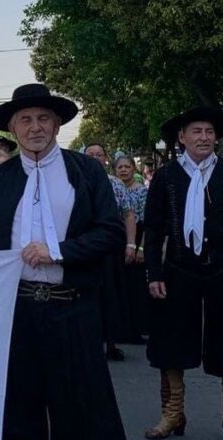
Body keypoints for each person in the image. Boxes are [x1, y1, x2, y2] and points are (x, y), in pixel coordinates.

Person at [0, 83, 134, 440]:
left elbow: (107, 231)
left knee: (81, 411)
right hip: (18, 312)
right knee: (17, 411)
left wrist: (58, 251)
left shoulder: (85, 172)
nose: (35, 127)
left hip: (74, 309)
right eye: (25, 120)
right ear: (12, 128)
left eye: (43, 118)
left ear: (57, 124)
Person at [144, 106, 223, 440]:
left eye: (209, 132)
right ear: (182, 137)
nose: (203, 137)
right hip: (179, 268)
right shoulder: (167, 176)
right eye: (196, 131)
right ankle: (173, 412)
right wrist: (153, 270)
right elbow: (152, 228)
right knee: (171, 341)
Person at [84, 143, 135, 359]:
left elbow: (129, 214)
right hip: (84, 249)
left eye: (99, 154)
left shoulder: (116, 184)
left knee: (112, 295)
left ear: (106, 158)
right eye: (90, 155)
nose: (95, 158)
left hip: (110, 248)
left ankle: (111, 343)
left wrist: (131, 244)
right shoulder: (73, 181)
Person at [115, 155, 150, 342]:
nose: (123, 170)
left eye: (127, 167)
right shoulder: (114, 189)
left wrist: (141, 248)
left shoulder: (142, 192)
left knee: (137, 287)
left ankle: (138, 329)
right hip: (117, 240)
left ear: (133, 169)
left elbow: (147, 222)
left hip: (137, 240)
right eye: (119, 167)